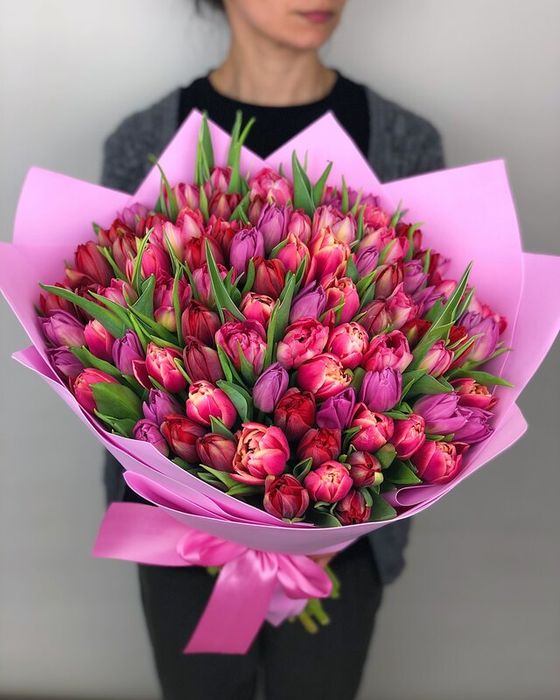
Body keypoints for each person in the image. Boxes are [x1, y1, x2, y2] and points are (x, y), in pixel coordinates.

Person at [101, 1, 444, 698]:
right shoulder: (144, 139)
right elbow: (110, 348)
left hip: (345, 540)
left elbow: (430, 332)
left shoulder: (404, 141)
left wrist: (342, 511)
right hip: (181, 538)